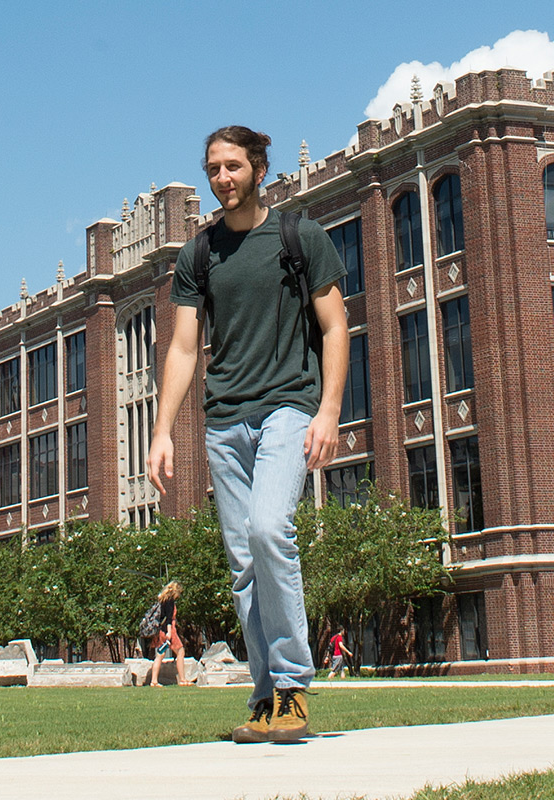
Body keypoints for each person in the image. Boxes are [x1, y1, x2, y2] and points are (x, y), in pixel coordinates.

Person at [146, 125, 349, 745]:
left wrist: (330, 411)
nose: (221, 178)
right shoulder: (199, 255)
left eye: (233, 166)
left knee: (269, 531)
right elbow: (183, 347)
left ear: (259, 169)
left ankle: (292, 684)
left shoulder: (298, 236)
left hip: (289, 405)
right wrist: (162, 432)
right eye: (213, 168)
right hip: (224, 417)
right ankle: (265, 697)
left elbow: (336, 326)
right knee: (241, 562)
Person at [139, 582, 187, 685]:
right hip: (168, 631)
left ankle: (154, 681)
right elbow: (169, 618)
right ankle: (182, 680)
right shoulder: (170, 601)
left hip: (160, 630)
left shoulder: (162, 600)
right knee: (180, 651)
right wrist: (169, 633)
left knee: (160, 655)